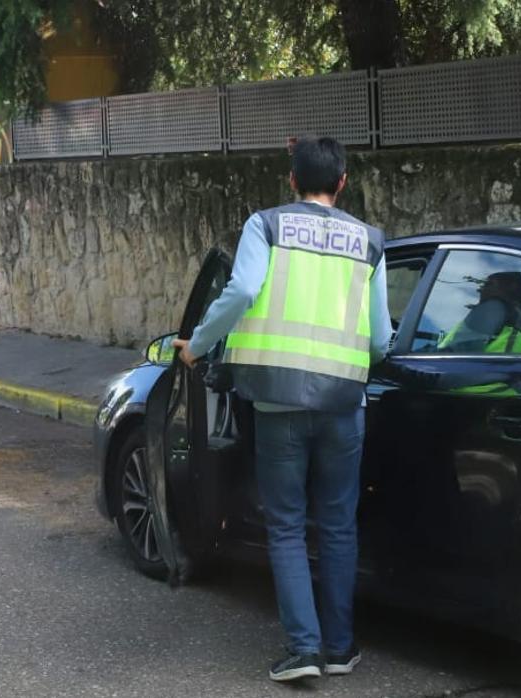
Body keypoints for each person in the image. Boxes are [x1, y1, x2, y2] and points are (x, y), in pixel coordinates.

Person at [172, 136, 392, 682]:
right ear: (342, 183)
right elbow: (382, 339)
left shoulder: (265, 226)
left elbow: (244, 289)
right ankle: (341, 649)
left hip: (277, 402)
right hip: (344, 404)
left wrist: (197, 345)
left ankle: (304, 650)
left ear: (291, 181)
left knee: (288, 526)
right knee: (340, 525)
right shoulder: (370, 242)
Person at [437, 271, 521, 354]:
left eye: (488, 284)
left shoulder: (491, 310)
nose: (481, 289)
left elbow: (460, 351)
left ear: (508, 289)